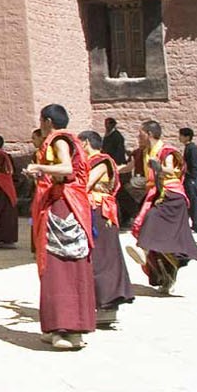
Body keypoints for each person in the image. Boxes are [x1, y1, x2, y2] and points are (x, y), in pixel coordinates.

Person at [23, 104, 96, 350]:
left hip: (63, 207)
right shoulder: (67, 139)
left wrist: (39, 167)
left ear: (46, 121)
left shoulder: (59, 140)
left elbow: (66, 169)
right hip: (67, 203)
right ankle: (60, 327)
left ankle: (67, 329)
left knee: (60, 266)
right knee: (63, 268)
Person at [130, 121, 197, 294]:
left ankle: (144, 248)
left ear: (149, 133)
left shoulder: (166, 151)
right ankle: (166, 276)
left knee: (151, 221)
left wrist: (158, 168)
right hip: (157, 196)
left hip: (172, 198)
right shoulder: (144, 152)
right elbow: (129, 167)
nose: (138, 137)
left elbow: (170, 169)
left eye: (140, 133)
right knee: (161, 244)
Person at [79, 131, 133, 329]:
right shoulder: (88, 162)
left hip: (101, 213)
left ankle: (108, 305)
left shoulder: (101, 161)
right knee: (94, 257)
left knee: (104, 258)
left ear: (85, 143)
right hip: (91, 211)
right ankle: (96, 303)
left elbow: (85, 185)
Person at [101, 118, 137, 227]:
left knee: (121, 192)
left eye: (108, 124)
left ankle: (132, 212)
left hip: (116, 166)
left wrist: (115, 166)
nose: (106, 126)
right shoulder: (107, 135)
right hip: (109, 165)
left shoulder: (116, 136)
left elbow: (119, 152)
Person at [180, 127, 197, 233]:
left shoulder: (192, 149)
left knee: (194, 203)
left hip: (192, 179)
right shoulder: (188, 147)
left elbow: (195, 165)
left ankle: (196, 226)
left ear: (187, 137)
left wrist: (192, 178)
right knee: (190, 203)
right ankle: (192, 224)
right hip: (189, 179)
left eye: (181, 135)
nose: (179, 137)